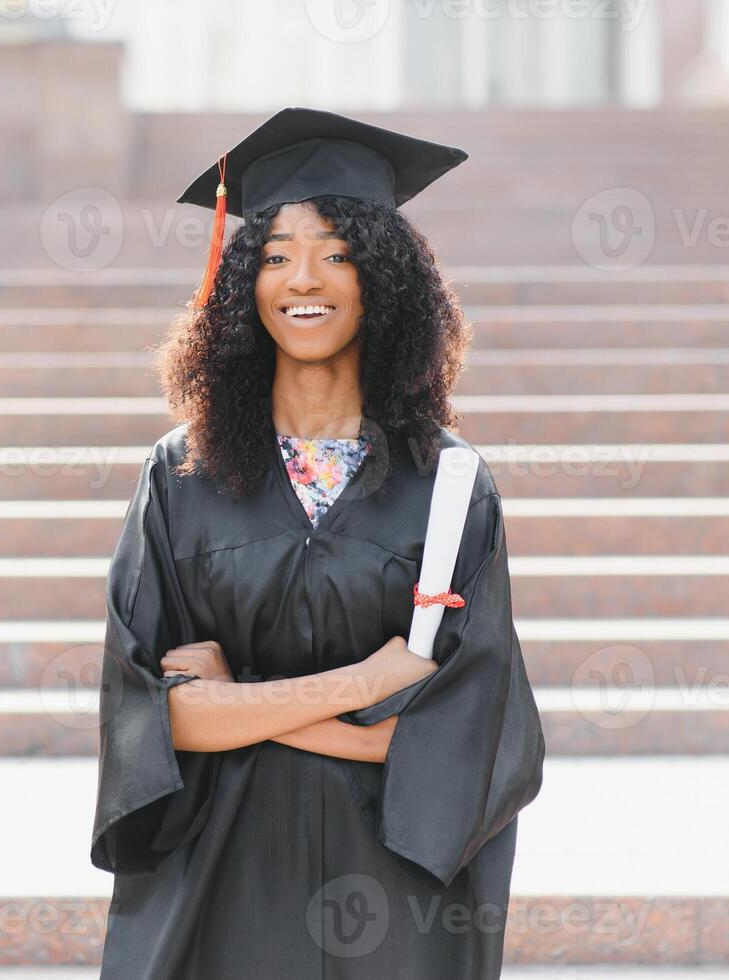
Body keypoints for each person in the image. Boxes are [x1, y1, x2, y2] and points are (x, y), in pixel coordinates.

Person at [90, 106, 546, 979]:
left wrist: (243, 709)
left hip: (390, 903)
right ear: (240, 286)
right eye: (275, 255)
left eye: (338, 251)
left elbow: (467, 739)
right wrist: (368, 684)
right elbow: (154, 716)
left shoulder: (448, 485)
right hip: (219, 889)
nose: (307, 277)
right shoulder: (179, 479)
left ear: (385, 278)